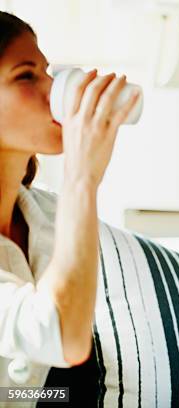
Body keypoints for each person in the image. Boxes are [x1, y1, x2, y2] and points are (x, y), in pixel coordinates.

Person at [0, 11, 139, 405]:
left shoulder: (45, 213)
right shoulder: (74, 195)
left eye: (47, 71)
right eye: (26, 75)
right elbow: (63, 335)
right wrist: (82, 175)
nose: (54, 88)